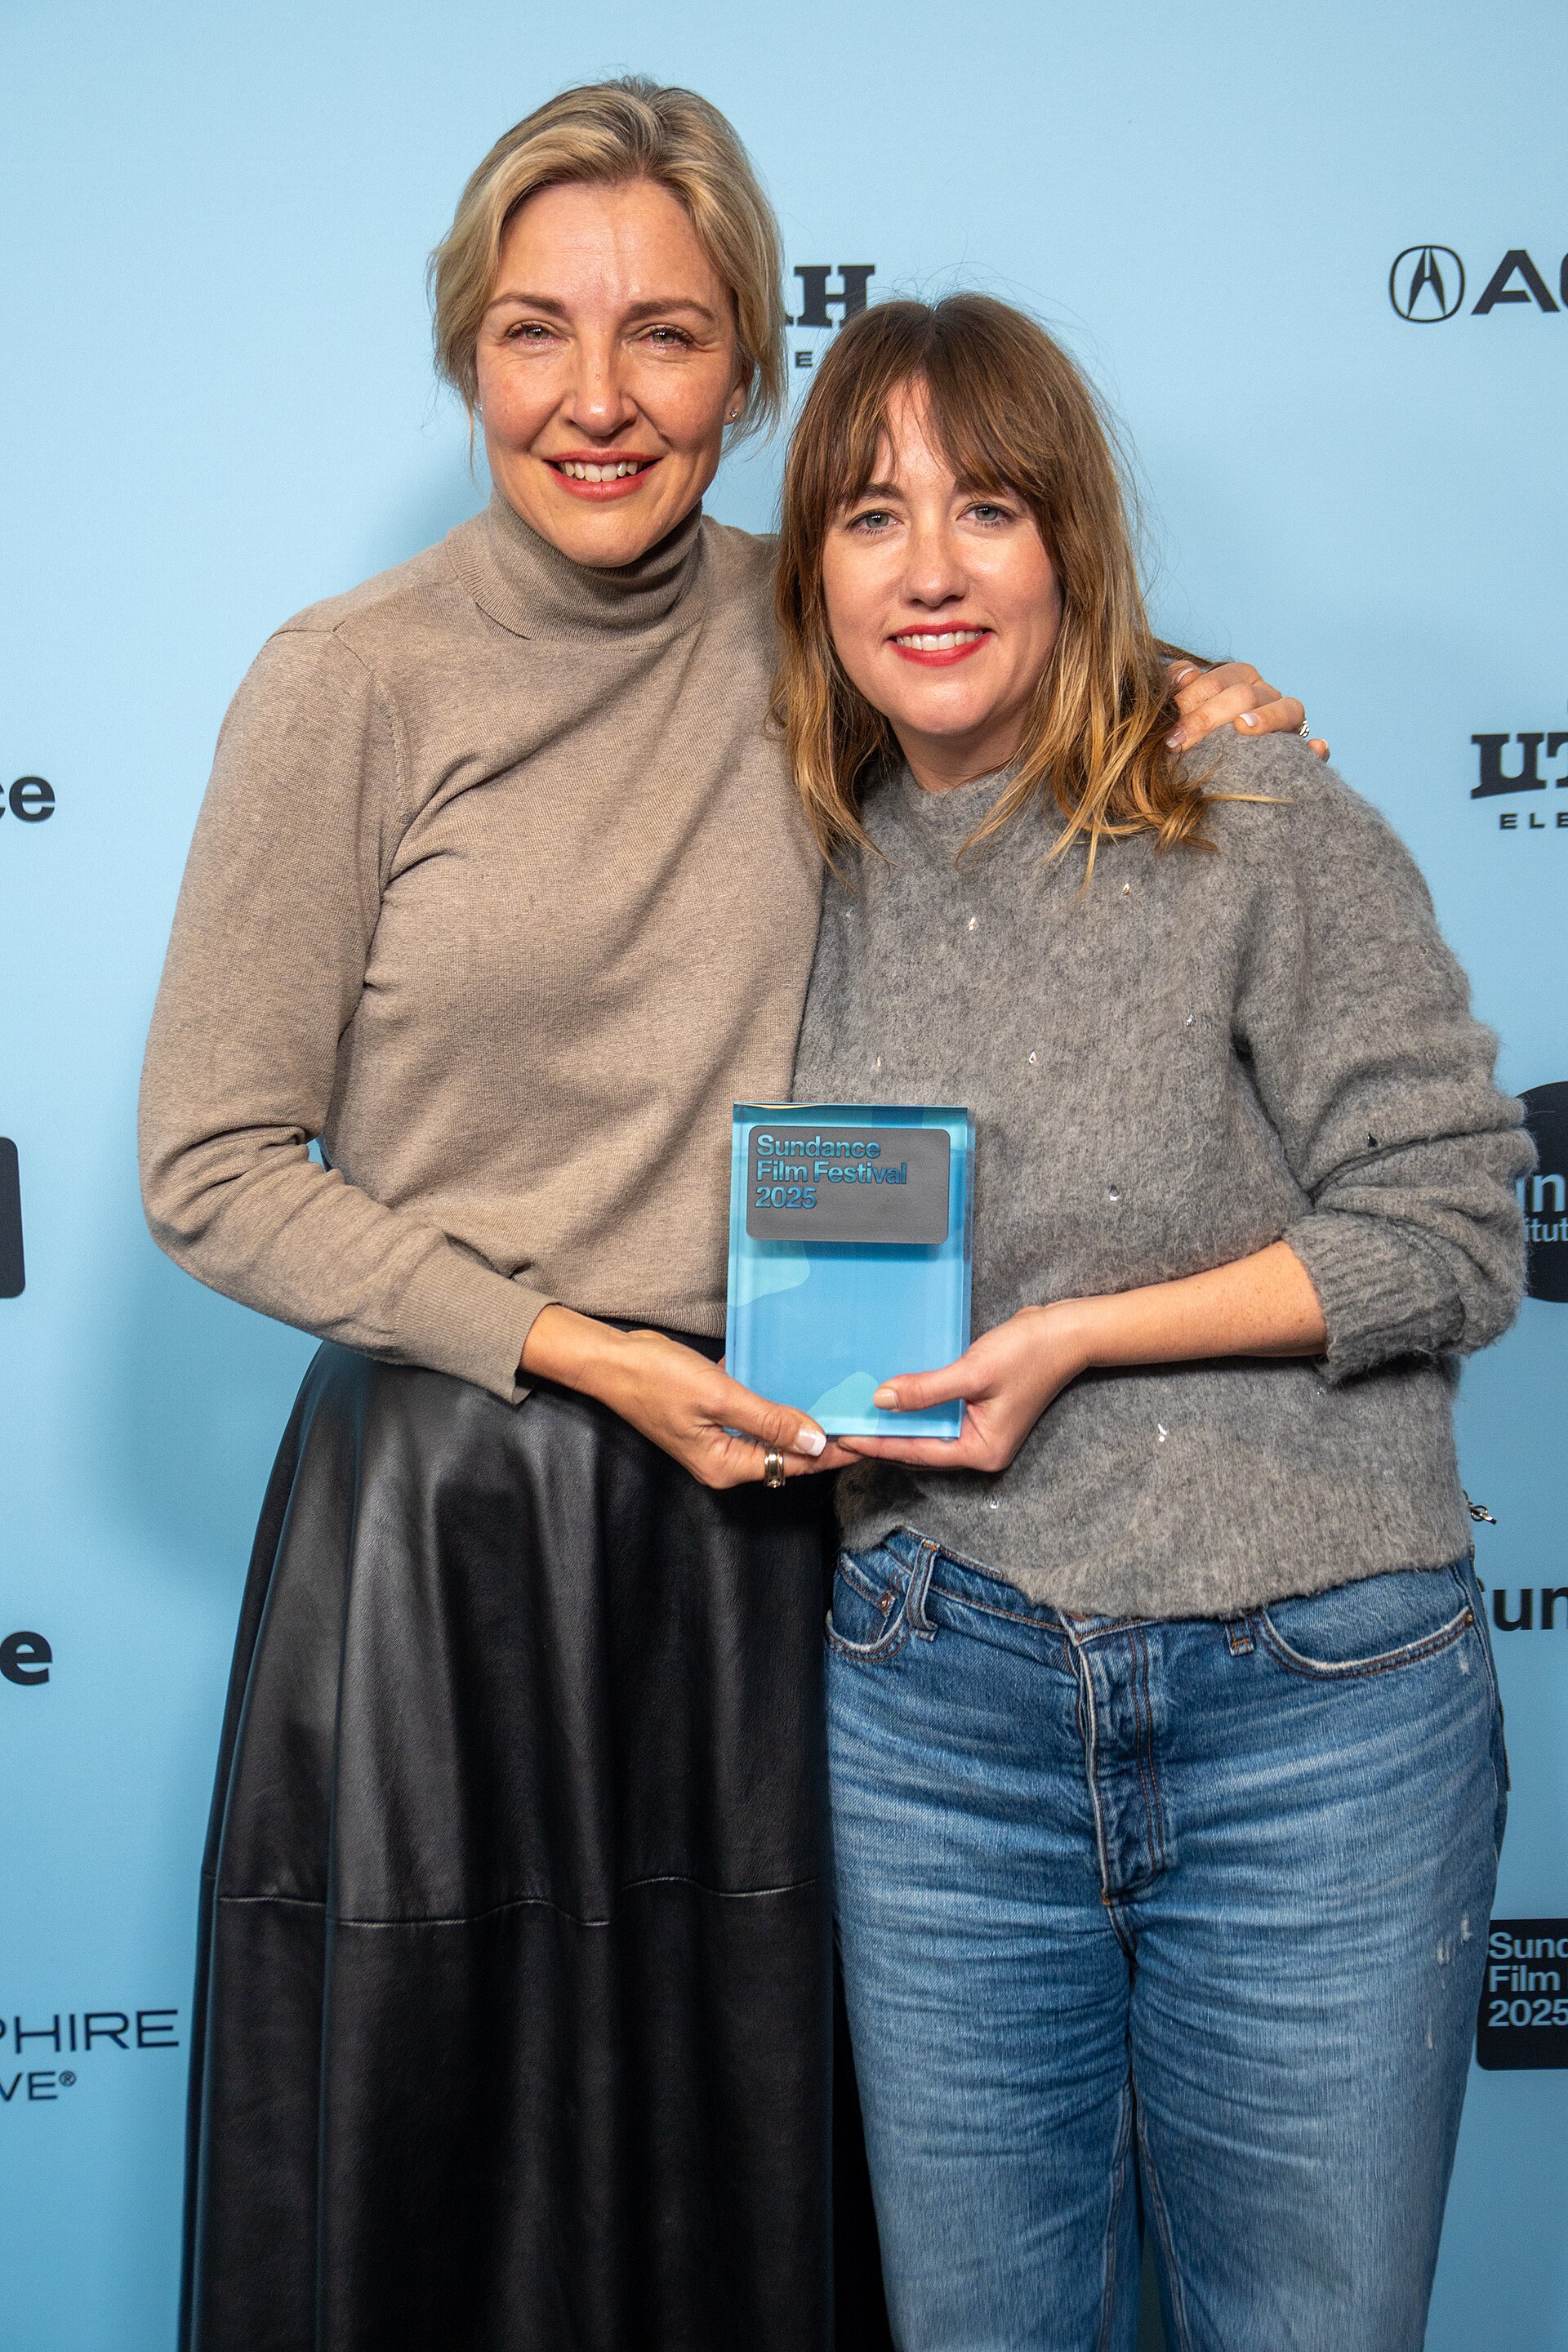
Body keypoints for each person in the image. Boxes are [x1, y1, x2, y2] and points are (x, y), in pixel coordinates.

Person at [139, 79, 1312, 2352]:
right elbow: (211, 1164)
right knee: (437, 2192)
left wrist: (1216, 696)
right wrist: (583, 1354)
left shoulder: (827, 635)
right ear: (466, 352)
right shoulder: (348, 683)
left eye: (666, 336)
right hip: (458, 1527)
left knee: (786, 2180)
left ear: (754, 370)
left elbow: (1045, 685)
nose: (601, 399)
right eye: (538, 331)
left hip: (796, 1509)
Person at [778, 294, 1526, 2352]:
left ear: (1075, 549)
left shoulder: (1255, 820)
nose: (928, 567)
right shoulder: (792, 857)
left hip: (1319, 1708)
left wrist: (1087, 1334)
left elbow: (1459, 1230)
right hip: (940, 1707)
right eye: (866, 517)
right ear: (808, 574)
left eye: (987, 509)